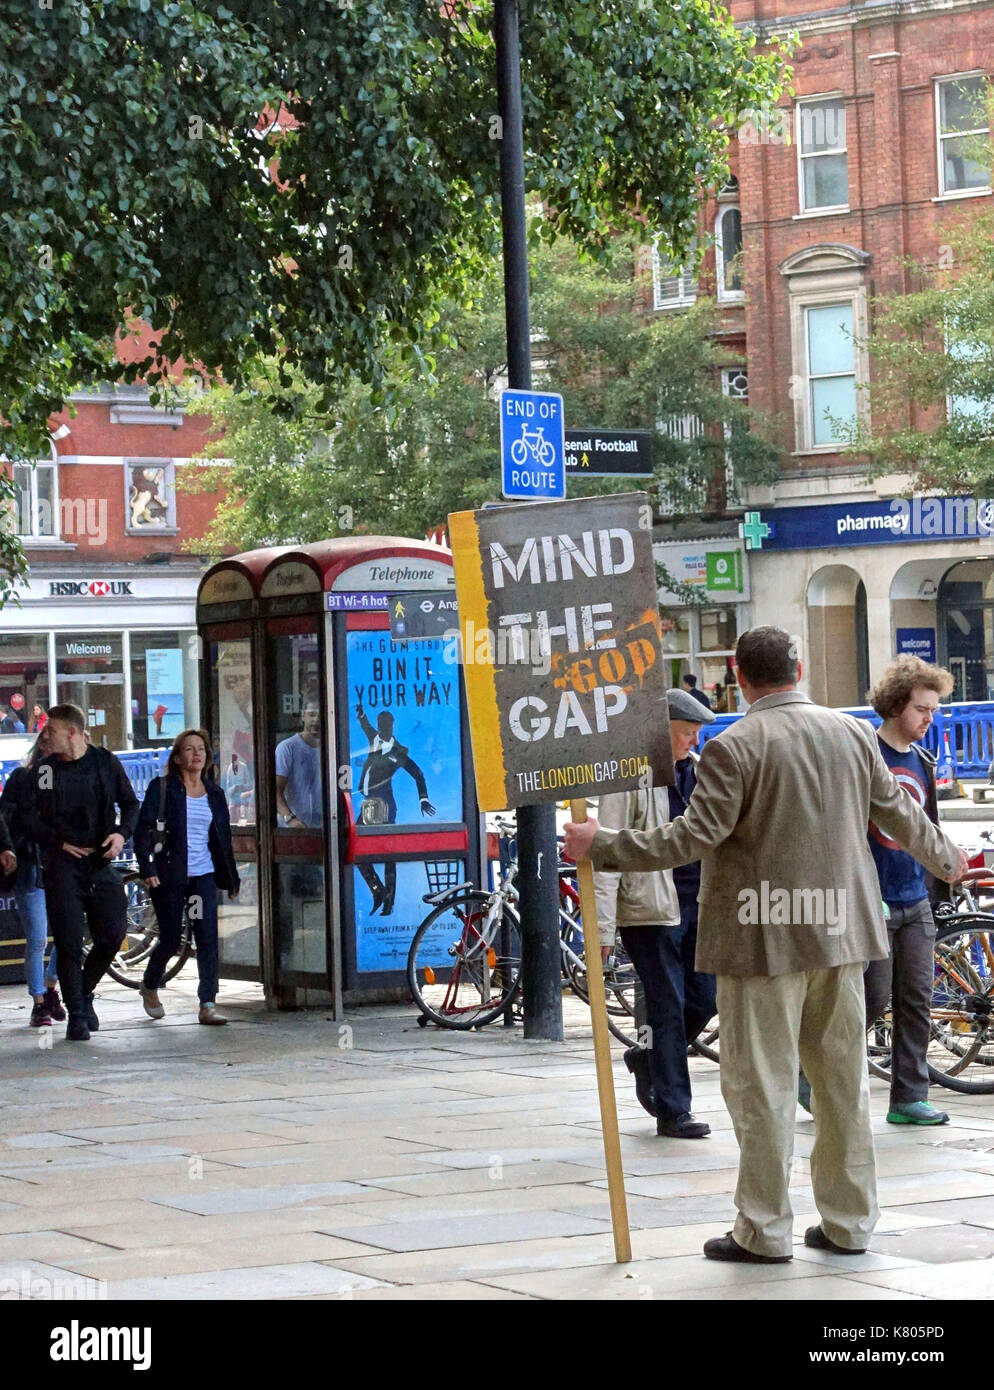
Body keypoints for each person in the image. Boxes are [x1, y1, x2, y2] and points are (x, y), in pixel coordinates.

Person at [565, 626, 967, 1264]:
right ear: (800, 667)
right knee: (840, 1085)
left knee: (764, 1089)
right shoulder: (853, 735)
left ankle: (763, 1229)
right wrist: (949, 859)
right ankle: (849, 1223)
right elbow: (900, 816)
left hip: (761, 942)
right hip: (843, 937)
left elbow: (686, 839)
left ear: (738, 674)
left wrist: (602, 846)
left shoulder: (735, 747)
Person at [595, 687, 717, 1138]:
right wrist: (603, 925)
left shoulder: (702, 773)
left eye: (696, 733)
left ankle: (647, 1057)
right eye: (686, 732)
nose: (694, 741)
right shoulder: (628, 774)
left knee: (706, 998)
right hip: (649, 907)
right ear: (660, 730)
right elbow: (606, 848)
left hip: (699, 902)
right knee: (666, 1005)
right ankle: (674, 1110)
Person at [864, 655, 957, 1126]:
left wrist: (943, 873)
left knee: (917, 999)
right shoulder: (866, 755)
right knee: (872, 998)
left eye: (934, 710)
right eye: (923, 709)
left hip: (914, 897)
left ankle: (907, 1097)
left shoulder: (921, 760)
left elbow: (927, 827)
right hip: (871, 898)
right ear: (898, 704)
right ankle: (808, 1070)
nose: (929, 719)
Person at [22, 702, 139, 1042]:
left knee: (112, 933)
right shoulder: (45, 771)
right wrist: (56, 842)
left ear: (71, 732)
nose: (45, 736)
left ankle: (84, 994)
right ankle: (76, 1014)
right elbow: (27, 817)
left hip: (100, 861)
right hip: (63, 866)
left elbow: (130, 804)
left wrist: (121, 834)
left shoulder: (104, 762)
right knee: (69, 942)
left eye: (51, 730)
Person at [134, 728, 240, 1025]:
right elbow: (142, 830)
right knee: (170, 938)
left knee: (206, 937)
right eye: (190, 749)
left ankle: (207, 1002)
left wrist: (230, 877)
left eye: (201, 749)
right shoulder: (163, 787)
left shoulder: (214, 793)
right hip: (169, 875)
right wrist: (148, 868)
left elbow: (222, 838)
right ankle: (150, 984)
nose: (196, 754)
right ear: (178, 758)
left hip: (201, 876)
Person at [0, 727, 63, 1026]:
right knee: (38, 938)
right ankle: (39, 1001)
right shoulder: (23, 779)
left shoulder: (72, 778)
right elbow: (7, 817)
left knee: (67, 935)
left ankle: (50, 989)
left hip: (61, 866)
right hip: (31, 864)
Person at [354, 703, 435, 916]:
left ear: (392, 726)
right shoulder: (374, 738)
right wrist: (361, 712)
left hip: (384, 804)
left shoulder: (399, 751)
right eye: (380, 725)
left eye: (386, 725)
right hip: (370, 802)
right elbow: (365, 725)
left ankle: (388, 899)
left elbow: (418, 773)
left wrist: (423, 799)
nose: (382, 728)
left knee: (388, 851)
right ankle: (378, 890)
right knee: (357, 848)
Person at [275, 701, 323, 827]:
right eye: (311, 715)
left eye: (320, 715)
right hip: (292, 831)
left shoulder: (333, 749)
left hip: (324, 829)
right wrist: (290, 820)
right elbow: (276, 790)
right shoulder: (287, 748)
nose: (316, 720)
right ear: (302, 716)